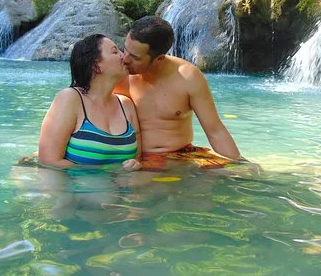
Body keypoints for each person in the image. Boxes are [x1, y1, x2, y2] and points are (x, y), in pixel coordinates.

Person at [114, 15, 249, 166]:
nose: (125, 59)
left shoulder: (187, 77)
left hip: (181, 156)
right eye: (125, 50)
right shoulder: (116, 73)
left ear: (159, 58)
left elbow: (215, 131)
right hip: (135, 160)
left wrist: (240, 163)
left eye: (135, 58)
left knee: (236, 173)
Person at [38, 34, 141, 170]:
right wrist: (106, 171)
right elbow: (48, 161)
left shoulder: (126, 105)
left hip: (123, 184)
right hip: (75, 184)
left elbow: (138, 157)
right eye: (115, 52)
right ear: (95, 66)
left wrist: (135, 164)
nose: (124, 56)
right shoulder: (70, 99)